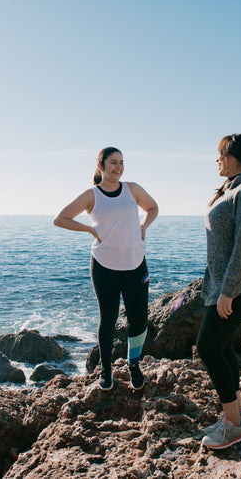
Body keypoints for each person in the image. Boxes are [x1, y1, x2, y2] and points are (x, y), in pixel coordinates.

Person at [54, 147, 159, 391]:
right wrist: (89, 230)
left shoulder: (132, 189)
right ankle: (106, 369)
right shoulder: (92, 195)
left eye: (122, 162)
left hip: (136, 264)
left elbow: (153, 208)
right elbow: (60, 219)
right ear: (101, 165)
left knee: (139, 319)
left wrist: (144, 225)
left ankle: (134, 364)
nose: (119, 167)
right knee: (108, 319)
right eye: (113, 162)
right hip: (104, 266)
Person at [197, 134, 241, 450]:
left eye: (219, 154)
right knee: (222, 346)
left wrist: (228, 290)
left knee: (208, 347)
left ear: (234, 155)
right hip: (222, 283)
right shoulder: (233, 188)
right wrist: (213, 284)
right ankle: (236, 416)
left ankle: (235, 426)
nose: (216, 160)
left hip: (238, 285)